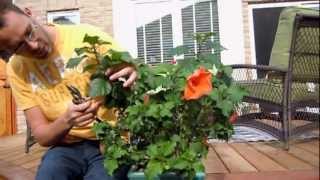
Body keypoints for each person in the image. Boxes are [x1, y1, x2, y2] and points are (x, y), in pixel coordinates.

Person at [0, 2, 137, 180]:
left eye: (29, 32)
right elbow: (41, 135)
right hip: (66, 146)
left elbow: (132, 71)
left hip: (112, 141)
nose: (32, 46)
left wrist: (133, 72)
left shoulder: (86, 37)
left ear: (29, 13)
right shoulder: (16, 69)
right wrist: (67, 120)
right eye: (19, 47)